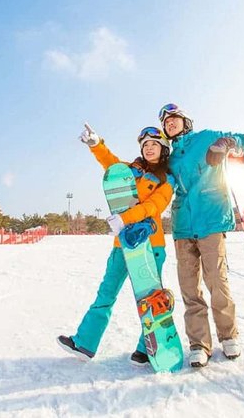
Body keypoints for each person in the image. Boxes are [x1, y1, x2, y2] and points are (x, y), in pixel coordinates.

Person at [57, 124, 176, 366]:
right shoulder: (131, 171)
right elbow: (112, 166)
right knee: (106, 292)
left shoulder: (167, 179)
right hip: (122, 244)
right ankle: (85, 343)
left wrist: (125, 218)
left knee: (149, 298)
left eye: (154, 144)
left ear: (163, 148)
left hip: (149, 244)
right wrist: (96, 145)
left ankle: (147, 349)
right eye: (145, 145)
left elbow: (154, 206)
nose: (149, 148)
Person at [158, 103, 244, 367]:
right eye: (166, 122)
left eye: (174, 119)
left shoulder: (206, 137)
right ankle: (199, 344)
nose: (170, 123)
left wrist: (226, 143)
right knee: (189, 287)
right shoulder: (170, 159)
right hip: (183, 226)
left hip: (210, 219)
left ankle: (228, 336)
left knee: (216, 281)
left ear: (185, 121)